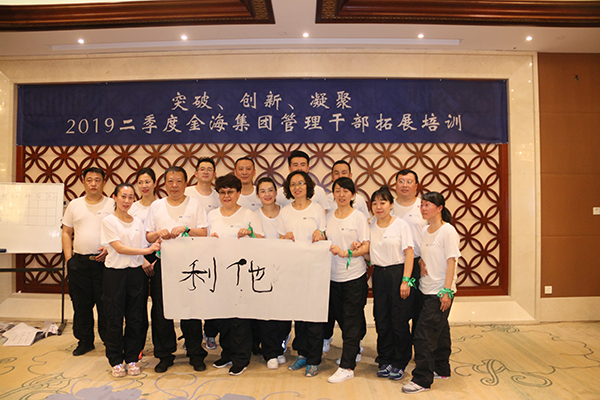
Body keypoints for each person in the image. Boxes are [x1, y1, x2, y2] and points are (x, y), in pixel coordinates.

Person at [145, 166, 209, 373]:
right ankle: (165, 354)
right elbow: (148, 236)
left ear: (185, 183)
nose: (174, 185)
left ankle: (195, 353)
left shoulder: (195, 204)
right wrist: (158, 234)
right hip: (163, 264)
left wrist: (186, 229)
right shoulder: (156, 206)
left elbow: (204, 232)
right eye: (170, 181)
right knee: (161, 311)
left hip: (190, 265)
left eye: (179, 181)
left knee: (191, 309)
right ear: (164, 184)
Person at [402, 192, 461, 394]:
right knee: (441, 330)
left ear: (440, 208)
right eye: (422, 205)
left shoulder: (448, 231)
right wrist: (420, 261)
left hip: (439, 291)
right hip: (425, 289)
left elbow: (452, 261)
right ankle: (441, 368)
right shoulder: (425, 230)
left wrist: (447, 291)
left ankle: (422, 379)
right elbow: (424, 254)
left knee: (423, 335)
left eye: (428, 205)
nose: (423, 208)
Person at [100, 183, 161, 377]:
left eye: (130, 197)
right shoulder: (109, 221)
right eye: (123, 196)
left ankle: (133, 358)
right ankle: (116, 360)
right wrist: (148, 251)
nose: (127, 201)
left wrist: (155, 245)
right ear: (115, 197)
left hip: (136, 274)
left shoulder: (137, 222)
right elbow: (119, 248)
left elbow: (142, 245)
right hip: (115, 275)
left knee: (136, 318)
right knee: (114, 318)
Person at [207, 174, 264, 376]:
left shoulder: (249, 214)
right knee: (222, 317)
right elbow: (205, 242)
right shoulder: (212, 215)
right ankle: (227, 353)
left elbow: (262, 239)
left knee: (239, 319)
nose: (226, 196)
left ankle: (241, 358)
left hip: (242, 274)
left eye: (230, 192)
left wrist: (249, 234)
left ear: (239, 193)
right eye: (222, 192)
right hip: (219, 273)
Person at [278, 170, 327, 377]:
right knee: (299, 316)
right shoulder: (285, 212)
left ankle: (314, 360)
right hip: (293, 270)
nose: (297, 187)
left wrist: (320, 233)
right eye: (293, 184)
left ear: (308, 186)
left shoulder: (317, 209)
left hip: (315, 270)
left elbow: (324, 234)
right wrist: (284, 238)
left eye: (301, 183)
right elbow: (280, 240)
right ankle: (302, 354)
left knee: (314, 316)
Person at [62, 166, 114, 356]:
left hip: (105, 263)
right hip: (79, 263)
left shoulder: (112, 204)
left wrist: (110, 248)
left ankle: (110, 341)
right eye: (89, 180)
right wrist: (69, 259)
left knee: (106, 304)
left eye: (97, 180)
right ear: (83, 182)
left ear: (104, 182)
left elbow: (119, 230)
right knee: (81, 305)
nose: (93, 184)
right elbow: (66, 232)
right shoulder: (74, 205)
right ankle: (85, 341)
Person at [325, 177, 370, 384]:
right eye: (337, 190)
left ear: (353, 195)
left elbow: (366, 246)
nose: (341, 194)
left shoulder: (358, 217)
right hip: (332, 277)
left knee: (351, 320)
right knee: (342, 318)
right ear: (333, 194)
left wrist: (346, 253)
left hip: (354, 276)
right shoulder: (328, 216)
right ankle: (354, 349)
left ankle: (347, 366)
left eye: (345, 191)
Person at [368, 185, 415, 381]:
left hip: (398, 273)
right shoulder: (370, 225)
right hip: (379, 274)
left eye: (383, 202)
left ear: (391, 205)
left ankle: (400, 361)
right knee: (381, 318)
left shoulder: (400, 225)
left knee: (399, 319)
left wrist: (406, 280)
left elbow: (409, 253)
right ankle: (385, 359)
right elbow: (368, 251)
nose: (379, 207)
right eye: (375, 203)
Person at [184, 157, 220, 350]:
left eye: (209, 169)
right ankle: (191, 337)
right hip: (189, 251)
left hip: (212, 251)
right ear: (195, 173)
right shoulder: (187, 193)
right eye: (202, 169)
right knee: (192, 294)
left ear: (214, 174)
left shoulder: (218, 196)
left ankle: (210, 333)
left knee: (212, 294)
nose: (206, 172)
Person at [254, 177, 289, 370]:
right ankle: (270, 352)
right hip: (262, 269)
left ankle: (280, 347)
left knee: (283, 312)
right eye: (262, 191)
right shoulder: (253, 215)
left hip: (284, 268)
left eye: (270, 190)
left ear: (276, 193)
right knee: (266, 313)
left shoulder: (287, 213)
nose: (267, 194)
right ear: (257, 195)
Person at [393, 169, 427, 323]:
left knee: (419, 307)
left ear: (416, 186)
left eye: (409, 182)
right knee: (398, 310)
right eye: (401, 181)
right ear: (395, 185)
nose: (404, 185)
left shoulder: (424, 206)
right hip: (395, 264)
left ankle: (418, 338)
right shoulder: (388, 206)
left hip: (419, 263)